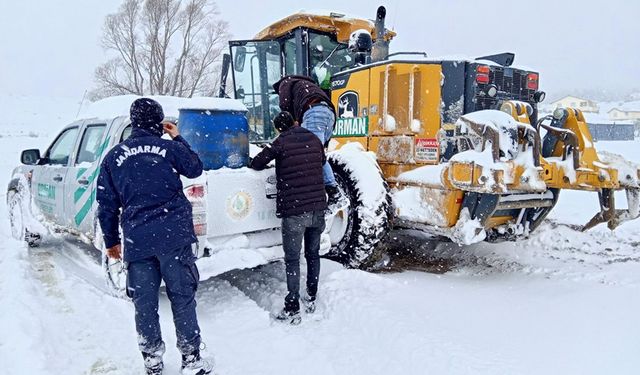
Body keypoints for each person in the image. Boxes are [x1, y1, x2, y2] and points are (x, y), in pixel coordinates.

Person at [96, 98, 212, 375]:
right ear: (158, 122)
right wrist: (178, 136)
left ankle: (152, 361)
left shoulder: (114, 157)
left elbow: (107, 204)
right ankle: (192, 360)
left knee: (144, 303)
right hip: (174, 237)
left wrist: (112, 241)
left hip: (138, 242)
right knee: (182, 298)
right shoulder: (169, 148)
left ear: (133, 122)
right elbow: (195, 168)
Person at [248, 111, 327, 324]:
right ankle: (311, 296)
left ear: (279, 128)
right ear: (296, 122)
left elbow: (256, 163)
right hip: (318, 208)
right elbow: (322, 160)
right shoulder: (313, 138)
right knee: (313, 254)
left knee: (292, 260)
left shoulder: (280, 142)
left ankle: (292, 307)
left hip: (295, 211)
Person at [272, 75, 346, 211]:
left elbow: (285, 108)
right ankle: (323, 193)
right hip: (329, 114)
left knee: (312, 155)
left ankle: (334, 194)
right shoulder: (308, 85)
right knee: (318, 154)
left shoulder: (285, 84)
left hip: (314, 113)